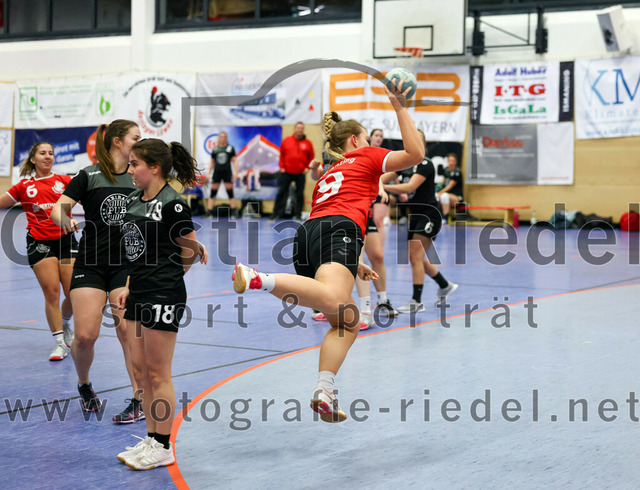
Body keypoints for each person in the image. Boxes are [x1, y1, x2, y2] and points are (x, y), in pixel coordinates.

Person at [232, 77, 424, 423]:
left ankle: (325, 388)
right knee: (336, 300)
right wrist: (399, 106)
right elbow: (416, 154)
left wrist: (354, 263)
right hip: (338, 233)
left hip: (309, 236)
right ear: (356, 140)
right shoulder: (365, 156)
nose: (372, 144)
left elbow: (331, 214)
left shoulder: (330, 171)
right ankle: (259, 278)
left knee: (348, 321)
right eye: (367, 138)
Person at [115, 138, 207, 471]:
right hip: (138, 292)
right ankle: (152, 438)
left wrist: (167, 279)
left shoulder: (173, 204)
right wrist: (129, 285)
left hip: (163, 294)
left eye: (135, 164)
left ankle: (164, 445)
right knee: (141, 371)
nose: (130, 170)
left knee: (158, 372)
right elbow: (136, 250)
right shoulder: (132, 201)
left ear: (154, 168)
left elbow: (190, 251)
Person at [51, 119, 143, 424]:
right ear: (117, 141)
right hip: (90, 263)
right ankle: (84, 384)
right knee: (85, 335)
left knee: (126, 331)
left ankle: (139, 399)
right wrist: (64, 219)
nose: (139, 142)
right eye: (135, 137)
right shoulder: (88, 175)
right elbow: (58, 207)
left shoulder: (138, 176)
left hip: (125, 265)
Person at [0, 142, 76, 361]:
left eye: (51, 153)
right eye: (43, 153)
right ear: (33, 159)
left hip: (66, 240)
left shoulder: (65, 181)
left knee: (73, 293)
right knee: (52, 292)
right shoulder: (24, 186)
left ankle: (65, 323)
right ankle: (59, 343)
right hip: (40, 243)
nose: (48, 156)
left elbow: (91, 200)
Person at [383, 130, 458, 313]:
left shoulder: (425, 164)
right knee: (415, 257)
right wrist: (374, 181)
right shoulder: (404, 164)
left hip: (430, 214)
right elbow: (382, 177)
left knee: (415, 257)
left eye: (416, 139)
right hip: (416, 215)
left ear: (422, 144)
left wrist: (382, 187)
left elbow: (410, 187)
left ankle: (416, 301)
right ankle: (444, 285)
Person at [270, 122, 315, 220]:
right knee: (282, 193)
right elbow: (281, 155)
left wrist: (307, 168)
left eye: (301, 128)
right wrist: (282, 167)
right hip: (286, 172)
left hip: (300, 173)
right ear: (294, 129)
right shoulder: (286, 141)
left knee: (299, 194)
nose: (300, 130)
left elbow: (311, 157)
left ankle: (298, 215)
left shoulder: (308, 143)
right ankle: (275, 214)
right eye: (298, 128)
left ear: (303, 130)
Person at [206, 131, 238, 217]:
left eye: (224, 137)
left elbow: (235, 161)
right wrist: (209, 173)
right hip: (217, 173)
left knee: (230, 192)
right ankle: (209, 211)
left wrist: (236, 173)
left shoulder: (230, 148)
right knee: (213, 192)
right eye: (221, 137)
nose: (223, 139)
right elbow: (212, 162)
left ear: (226, 138)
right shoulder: (215, 149)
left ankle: (234, 211)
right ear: (219, 138)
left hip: (227, 173)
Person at [437, 153, 463, 218]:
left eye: (453, 161)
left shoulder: (457, 172)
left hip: (456, 197)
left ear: (456, 162)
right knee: (435, 196)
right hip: (445, 194)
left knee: (444, 196)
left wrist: (440, 193)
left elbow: (450, 186)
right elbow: (442, 183)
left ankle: (445, 217)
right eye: (450, 160)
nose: (451, 163)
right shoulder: (446, 170)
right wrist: (438, 188)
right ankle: (436, 217)